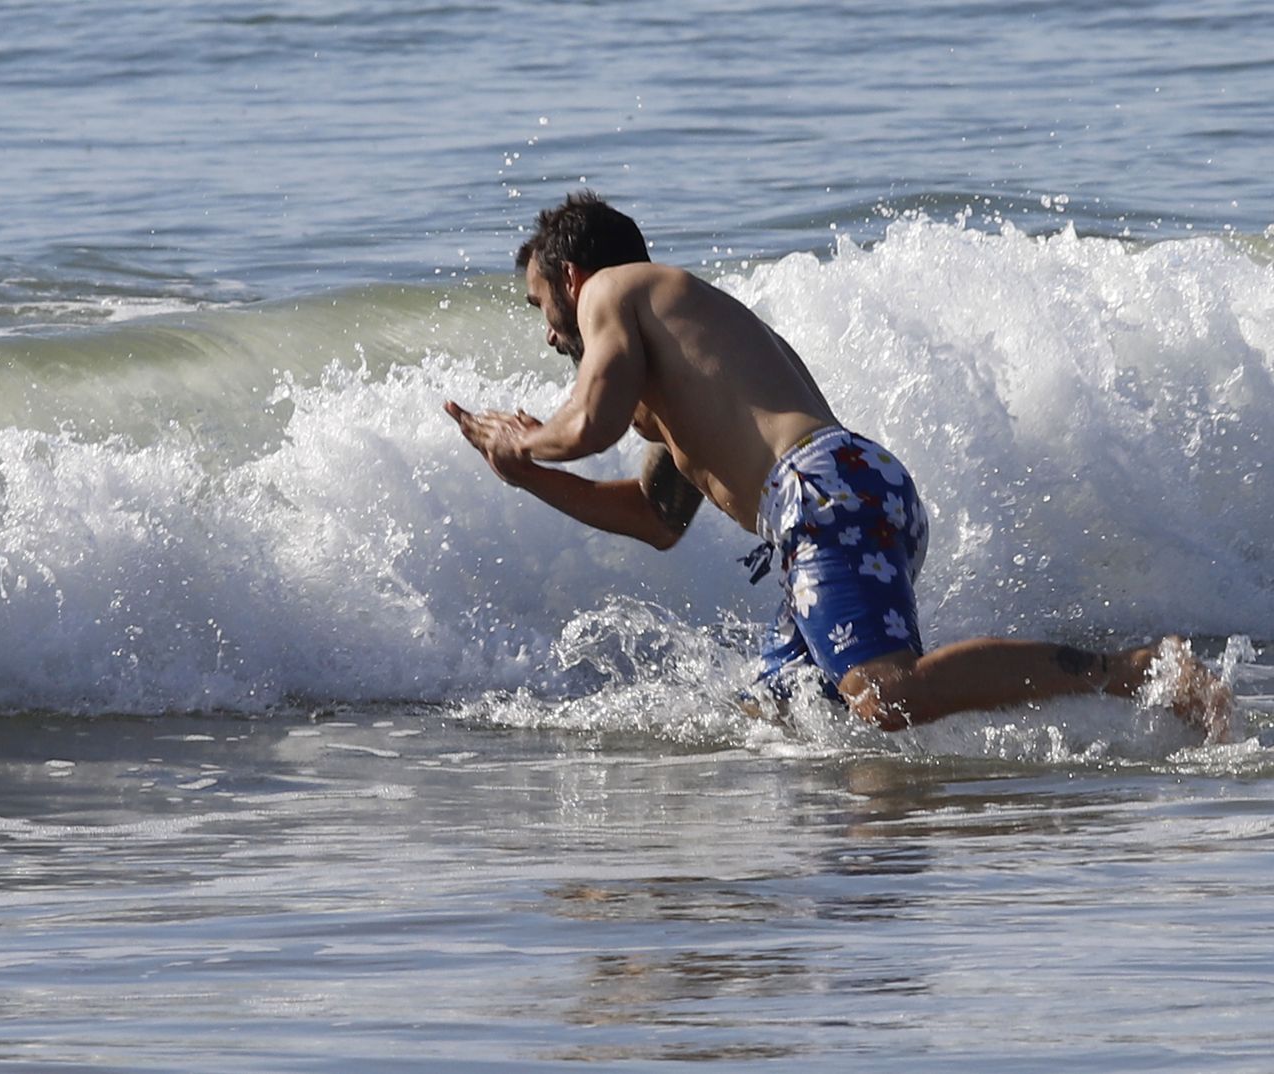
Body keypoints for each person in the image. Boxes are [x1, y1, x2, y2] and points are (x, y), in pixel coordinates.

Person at [444, 191, 1231, 739]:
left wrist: (527, 440)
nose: (549, 333)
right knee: (778, 721)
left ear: (571, 278)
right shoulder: (679, 370)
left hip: (822, 494)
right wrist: (527, 475)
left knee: (887, 698)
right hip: (838, 497)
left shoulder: (614, 289)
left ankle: (1136, 669)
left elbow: (588, 422)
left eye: (539, 305)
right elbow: (654, 520)